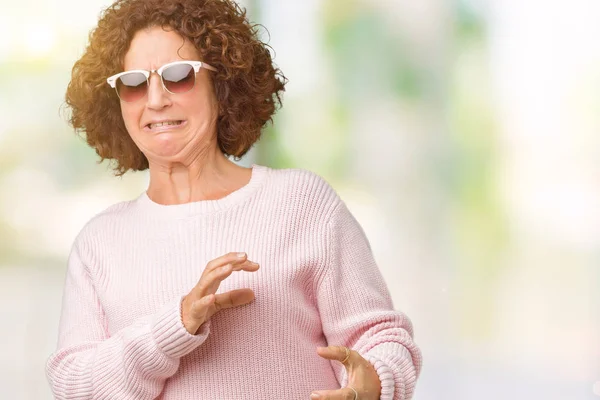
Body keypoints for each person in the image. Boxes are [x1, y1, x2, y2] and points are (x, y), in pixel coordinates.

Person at [45, 0, 422, 398]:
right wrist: (176, 325)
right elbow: (75, 385)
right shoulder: (100, 241)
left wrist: (374, 382)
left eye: (178, 76)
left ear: (222, 85)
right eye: (134, 82)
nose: (155, 100)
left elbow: (381, 337)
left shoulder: (301, 204)